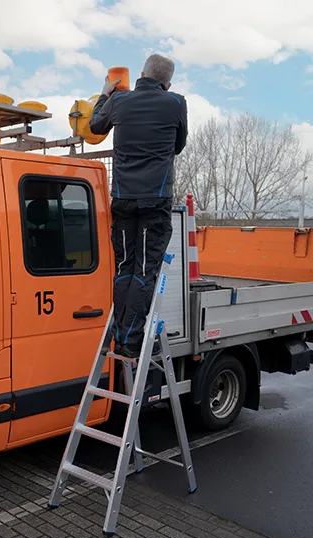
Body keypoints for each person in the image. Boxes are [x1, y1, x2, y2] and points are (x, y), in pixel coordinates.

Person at [89, 54, 188, 358]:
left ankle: (119, 333)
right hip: (155, 201)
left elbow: (94, 126)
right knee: (144, 271)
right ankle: (130, 342)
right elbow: (179, 145)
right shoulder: (176, 102)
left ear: (142, 74)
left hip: (122, 199)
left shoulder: (119, 101)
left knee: (124, 268)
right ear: (167, 82)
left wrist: (106, 93)